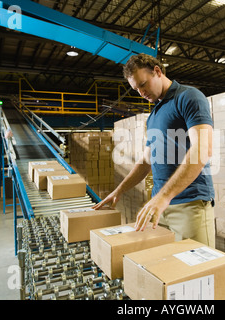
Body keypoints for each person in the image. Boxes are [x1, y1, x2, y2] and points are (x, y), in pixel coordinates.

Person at [92, 53, 215, 247]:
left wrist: (164, 197)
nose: (141, 92)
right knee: (167, 270)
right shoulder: (154, 115)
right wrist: (119, 190)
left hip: (189, 204)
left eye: (143, 84)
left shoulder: (188, 97)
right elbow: (146, 161)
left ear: (157, 71)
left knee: (196, 273)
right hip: (159, 207)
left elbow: (202, 149)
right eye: (136, 89)